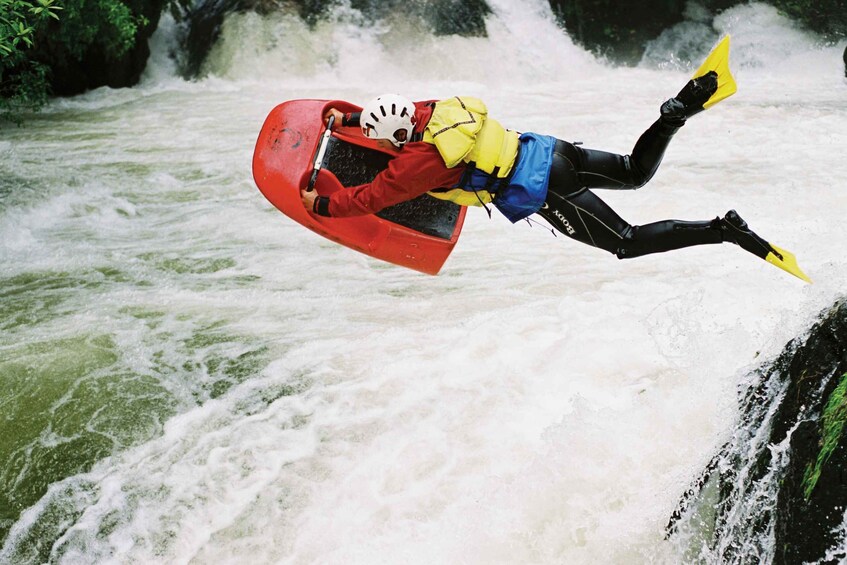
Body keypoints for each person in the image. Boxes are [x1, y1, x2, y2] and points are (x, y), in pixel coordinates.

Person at [299, 62, 807, 280]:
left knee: (625, 242)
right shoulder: (431, 111)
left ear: (399, 135)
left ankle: (724, 230)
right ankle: (677, 112)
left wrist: (322, 204)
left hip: (544, 187)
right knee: (634, 171)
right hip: (551, 149)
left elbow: (374, 197)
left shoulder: (422, 161)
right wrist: (350, 120)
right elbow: (394, 118)